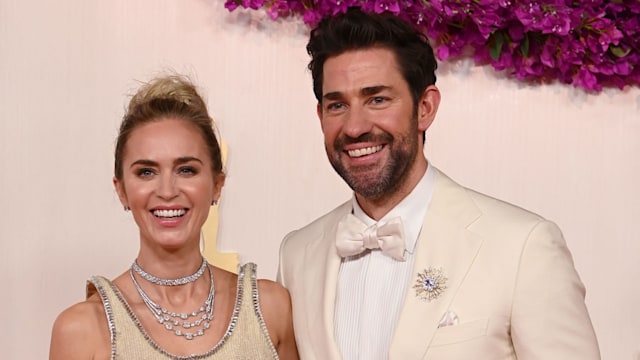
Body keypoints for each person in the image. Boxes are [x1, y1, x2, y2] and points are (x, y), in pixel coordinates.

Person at [277, 8, 600, 359]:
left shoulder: (523, 246)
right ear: (321, 116)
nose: (354, 127)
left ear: (425, 108)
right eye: (337, 105)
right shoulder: (297, 254)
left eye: (378, 99)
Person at [50, 74, 299, 359]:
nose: (167, 191)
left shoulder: (270, 309)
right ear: (121, 191)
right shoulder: (82, 329)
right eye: (146, 172)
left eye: (186, 170)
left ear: (217, 185)